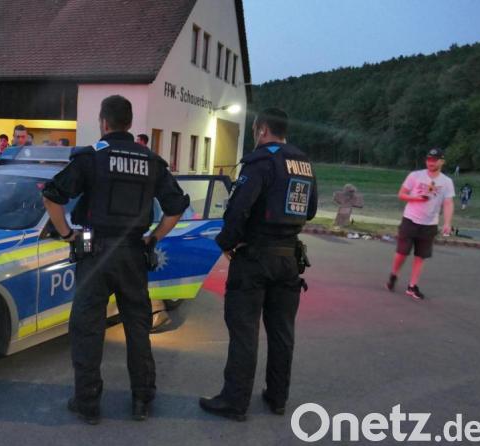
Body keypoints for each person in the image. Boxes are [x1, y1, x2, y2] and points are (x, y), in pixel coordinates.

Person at [42, 95, 190, 424]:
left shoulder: (91, 157)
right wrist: (153, 238)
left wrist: (67, 235)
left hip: (94, 252)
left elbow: (51, 196)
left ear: (104, 122)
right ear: (129, 123)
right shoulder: (151, 161)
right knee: (138, 327)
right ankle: (142, 401)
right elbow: (176, 208)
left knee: (87, 328)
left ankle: (88, 403)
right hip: (133, 252)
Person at [199, 107, 317, 422]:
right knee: (282, 332)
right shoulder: (303, 164)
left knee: (244, 331)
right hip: (289, 258)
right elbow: (310, 210)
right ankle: (277, 397)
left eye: (255, 130)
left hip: (254, 258)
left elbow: (238, 208)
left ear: (262, 129)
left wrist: (226, 243)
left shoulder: (260, 162)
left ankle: (235, 401)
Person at [386, 148, 454, 300]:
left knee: (420, 256)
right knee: (402, 253)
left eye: (434, 160)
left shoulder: (447, 182)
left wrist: (447, 223)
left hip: (429, 224)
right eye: (429, 159)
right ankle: (394, 274)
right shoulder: (415, 176)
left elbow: (448, 203)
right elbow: (401, 194)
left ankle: (412, 286)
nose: (431, 162)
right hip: (410, 219)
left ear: (442, 162)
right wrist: (416, 198)